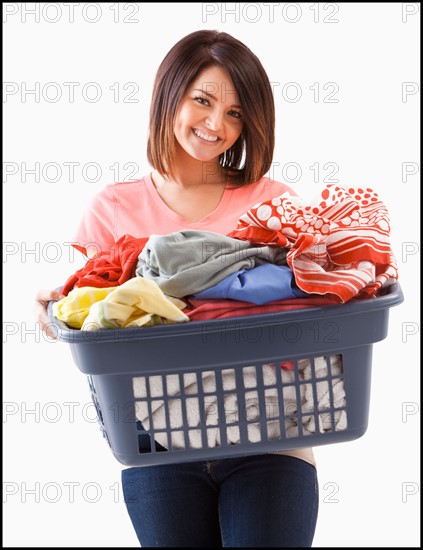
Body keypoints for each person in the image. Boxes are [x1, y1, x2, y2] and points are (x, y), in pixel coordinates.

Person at [35, 30, 318, 548]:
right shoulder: (112, 208)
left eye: (235, 114)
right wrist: (54, 312)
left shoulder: (274, 204)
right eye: (202, 101)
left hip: (272, 442)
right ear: (170, 94)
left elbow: (308, 306)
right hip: (156, 446)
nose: (215, 125)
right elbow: (94, 317)